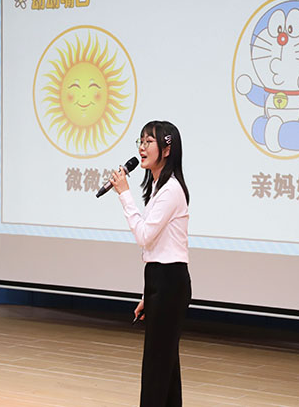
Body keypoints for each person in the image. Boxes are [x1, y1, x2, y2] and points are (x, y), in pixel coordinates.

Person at [110, 120, 191, 407]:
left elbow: (145, 236)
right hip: (160, 280)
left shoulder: (171, 190)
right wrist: (148, 294)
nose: (142, 148)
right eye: (140, 141)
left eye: (149, 142)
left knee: (157, 366)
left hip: (170, 281)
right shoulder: (159, 186)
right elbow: (158, 246)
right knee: (166, 367)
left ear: (167, 149)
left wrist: (124, 194)